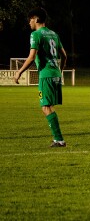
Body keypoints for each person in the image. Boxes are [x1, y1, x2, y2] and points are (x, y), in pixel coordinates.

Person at [13, 8, 68, 147]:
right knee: (48, 106)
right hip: (55, 74)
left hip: (46, 75)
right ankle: (58, 139)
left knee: (46, 106)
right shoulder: (54, 34)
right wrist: (59, 71)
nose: (29, 22)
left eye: (30, 19)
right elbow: (64, 56)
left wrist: (19, 71)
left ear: (36, 19)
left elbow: (32, 57)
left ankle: (59, 139)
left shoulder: (36, 34)